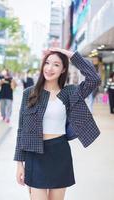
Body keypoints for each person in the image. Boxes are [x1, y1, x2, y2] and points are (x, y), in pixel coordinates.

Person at [14, 48, 101, 200]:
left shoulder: (70, 93)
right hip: (35, 154)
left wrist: (66, 52)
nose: (49, 68)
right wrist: (19, 163)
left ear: (63, 69)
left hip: (60, 153)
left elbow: (94, 79)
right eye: (47, 63)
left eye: (56, 64)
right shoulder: (29, 93)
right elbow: (21, 129)